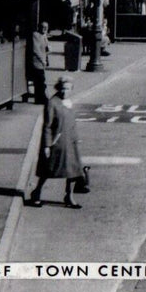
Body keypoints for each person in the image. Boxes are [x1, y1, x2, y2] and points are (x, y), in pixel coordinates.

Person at [28, 76, 86, 209]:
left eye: (68, 89)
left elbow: (72, 123)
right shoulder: (52, 103)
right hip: (57, 143)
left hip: (70, 142)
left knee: (72, 171)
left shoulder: (69, 102)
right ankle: (36, 193)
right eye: (63, 88)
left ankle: (69, 196)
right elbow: (47, 125)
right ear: (58, 88)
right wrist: (47, 145)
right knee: (48, 170)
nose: (65, 92)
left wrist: (76, 138)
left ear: (72, 89)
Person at [27, 21, 51, 104]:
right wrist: (42, 60)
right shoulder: (36, 35)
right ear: (39, 27)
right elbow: (36, 49)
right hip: (37, 62)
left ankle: (40, 98)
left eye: (46, 27)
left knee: (41, 80)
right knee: (40, 80)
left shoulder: (44, 36)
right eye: (43, 27)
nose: (45, 29)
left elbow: (45, 48)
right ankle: (40, 98)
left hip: (42, 62)